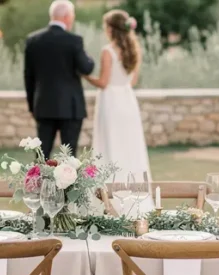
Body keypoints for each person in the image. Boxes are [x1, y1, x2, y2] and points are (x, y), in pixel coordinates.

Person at [83, 10, 153, 219]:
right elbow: (130, 81)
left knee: (110, 145)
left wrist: (84, 75)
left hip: (111, 102)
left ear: (111, 29)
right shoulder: (133, 50)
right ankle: (133, 199)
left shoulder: (108, 51)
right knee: (129, 147)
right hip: (127, 101)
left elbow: (103, 82)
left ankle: (108, 201)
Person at [23, 0, 95, 158]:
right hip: (70, 107)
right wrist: (89, 57)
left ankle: (39, 183)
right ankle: (69, 184)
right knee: (69, 158)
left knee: (42, 156)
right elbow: (86, 68)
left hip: (43, 106)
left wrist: (32, 106)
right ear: (67, 16)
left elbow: (28, 77)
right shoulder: (74, 41)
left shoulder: (33, 40)